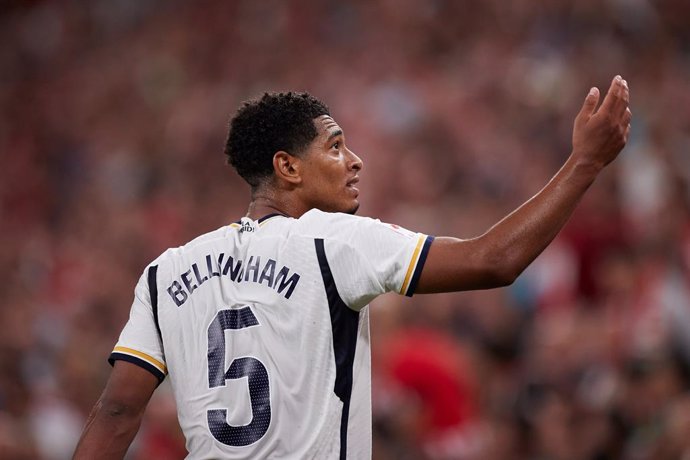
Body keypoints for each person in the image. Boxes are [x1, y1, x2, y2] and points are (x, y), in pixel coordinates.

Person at [73, 76, 631, 459]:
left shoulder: (167, 270)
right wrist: (584, 163)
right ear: (288, 167)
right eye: (335, 146)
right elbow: (495, 260)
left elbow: (117, 412)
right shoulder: (330, 240)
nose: (355, 159)